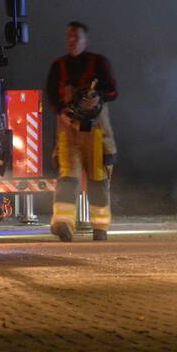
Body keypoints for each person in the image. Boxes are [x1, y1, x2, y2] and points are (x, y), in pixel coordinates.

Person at [46, 21, 118, 241]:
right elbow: (51, 96)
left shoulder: (99, 63)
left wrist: (98, 96)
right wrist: (61, 111)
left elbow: (113, 91)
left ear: (85, 40)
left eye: (76, 36)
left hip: (96, 132)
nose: (71, 40)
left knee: (98, 179)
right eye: (69, 36)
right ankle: (63, 223)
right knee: (67, 177)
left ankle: (100, 227)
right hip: (68, 133)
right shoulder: (59, 66)